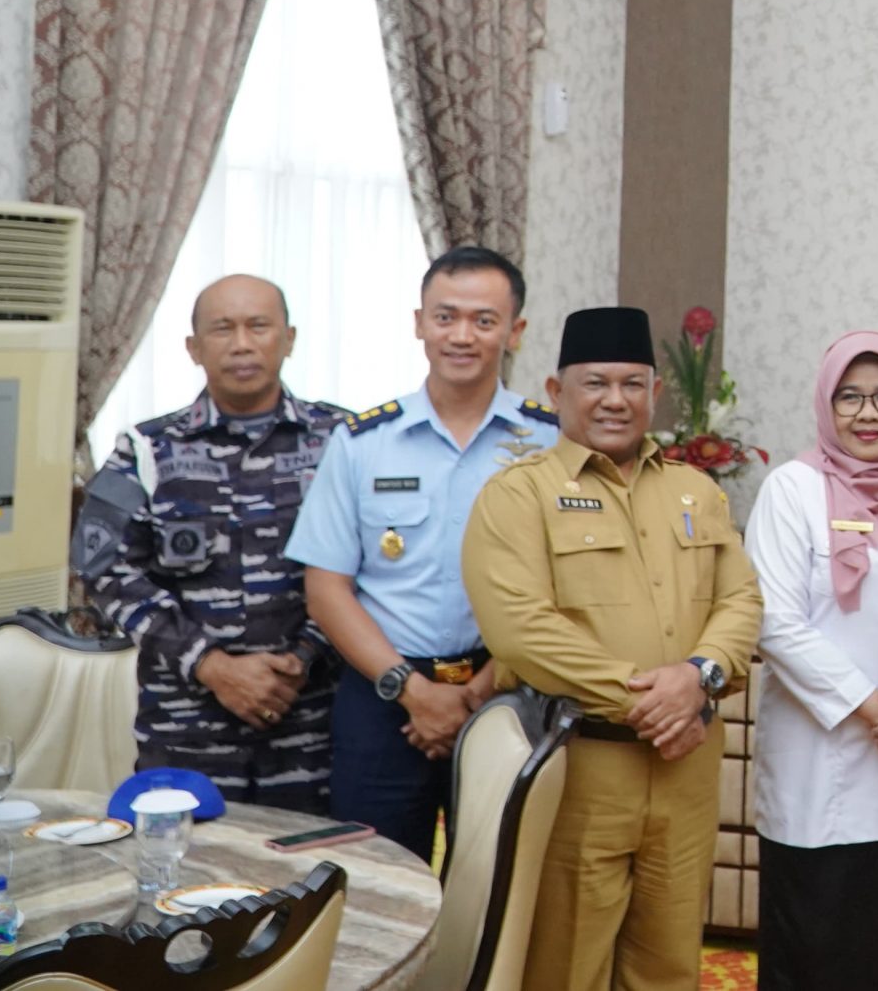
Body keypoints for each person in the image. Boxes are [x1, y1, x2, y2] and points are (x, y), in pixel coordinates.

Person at [461, 304, 763, 991]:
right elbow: (519, 629)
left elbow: (741, 599)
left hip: (685, 772)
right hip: (578, 769)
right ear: (555, 390)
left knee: (669, 965)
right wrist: (655, 697)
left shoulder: (696, 491)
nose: (615, 400)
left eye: (633, 384)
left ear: (656, 393)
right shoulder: (519, 497)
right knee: (565, 966)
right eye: (595, 383)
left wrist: (699, 675)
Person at [287, 244, 547, 861]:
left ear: (515, 331)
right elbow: (326, 588)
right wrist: (412, 690)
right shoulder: (363, 441)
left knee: (494, 889)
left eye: (484, 321)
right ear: (418, 323)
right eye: (445, 316)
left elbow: (562, 585)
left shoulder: (549, 440)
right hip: (382, 696)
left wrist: (484, 688)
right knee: (374, 884)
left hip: (509, 692)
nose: (462, 335)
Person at [72, 275, 350, 812]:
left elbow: (365, 569)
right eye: (222, 329)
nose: (242, 343)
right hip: (185, 729)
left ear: (288, 339)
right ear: (194, 348)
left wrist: (303, 657)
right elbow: (99, 564)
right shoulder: (147, 447)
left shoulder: (342, 440)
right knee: (180, 880)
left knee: (307, 883)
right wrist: (210, 664)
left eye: (259, 326)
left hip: (311, 723)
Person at [747, 332, 878, 991]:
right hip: (819, 760)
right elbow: (774, 621)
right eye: (850, 397)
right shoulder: (792, 489)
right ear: (826, 404)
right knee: (814, 947)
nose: (869, 414)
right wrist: (870, 705)